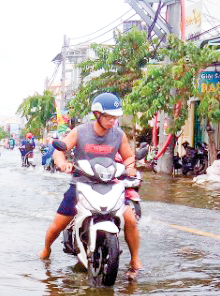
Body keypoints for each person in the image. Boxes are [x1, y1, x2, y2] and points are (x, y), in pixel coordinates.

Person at [38, 92, 143, 280]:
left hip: (109, 184)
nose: (113, 121)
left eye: (115, 117)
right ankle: (46, 249)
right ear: (97, 114)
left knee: (130, 219)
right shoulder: (81, 131)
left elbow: (128, 156)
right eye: (109, 117)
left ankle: (135, 259)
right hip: (81, 183)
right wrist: (62, 163)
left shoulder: (119, 135)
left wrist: (131, 167)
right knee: (59, 222)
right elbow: (60, 151)